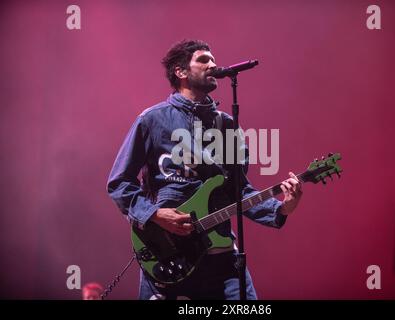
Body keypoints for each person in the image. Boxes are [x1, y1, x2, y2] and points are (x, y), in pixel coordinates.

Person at [107, 39, 302, 300]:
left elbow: (239, 191)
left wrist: (282, 207)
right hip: (169, 255)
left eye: (213, 59)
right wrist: (154, 214)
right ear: (181, 71)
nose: (213, 64)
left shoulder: (227, 126)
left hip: (222, 260)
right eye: (203, 60)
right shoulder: (152, 120)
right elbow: (119, 182)